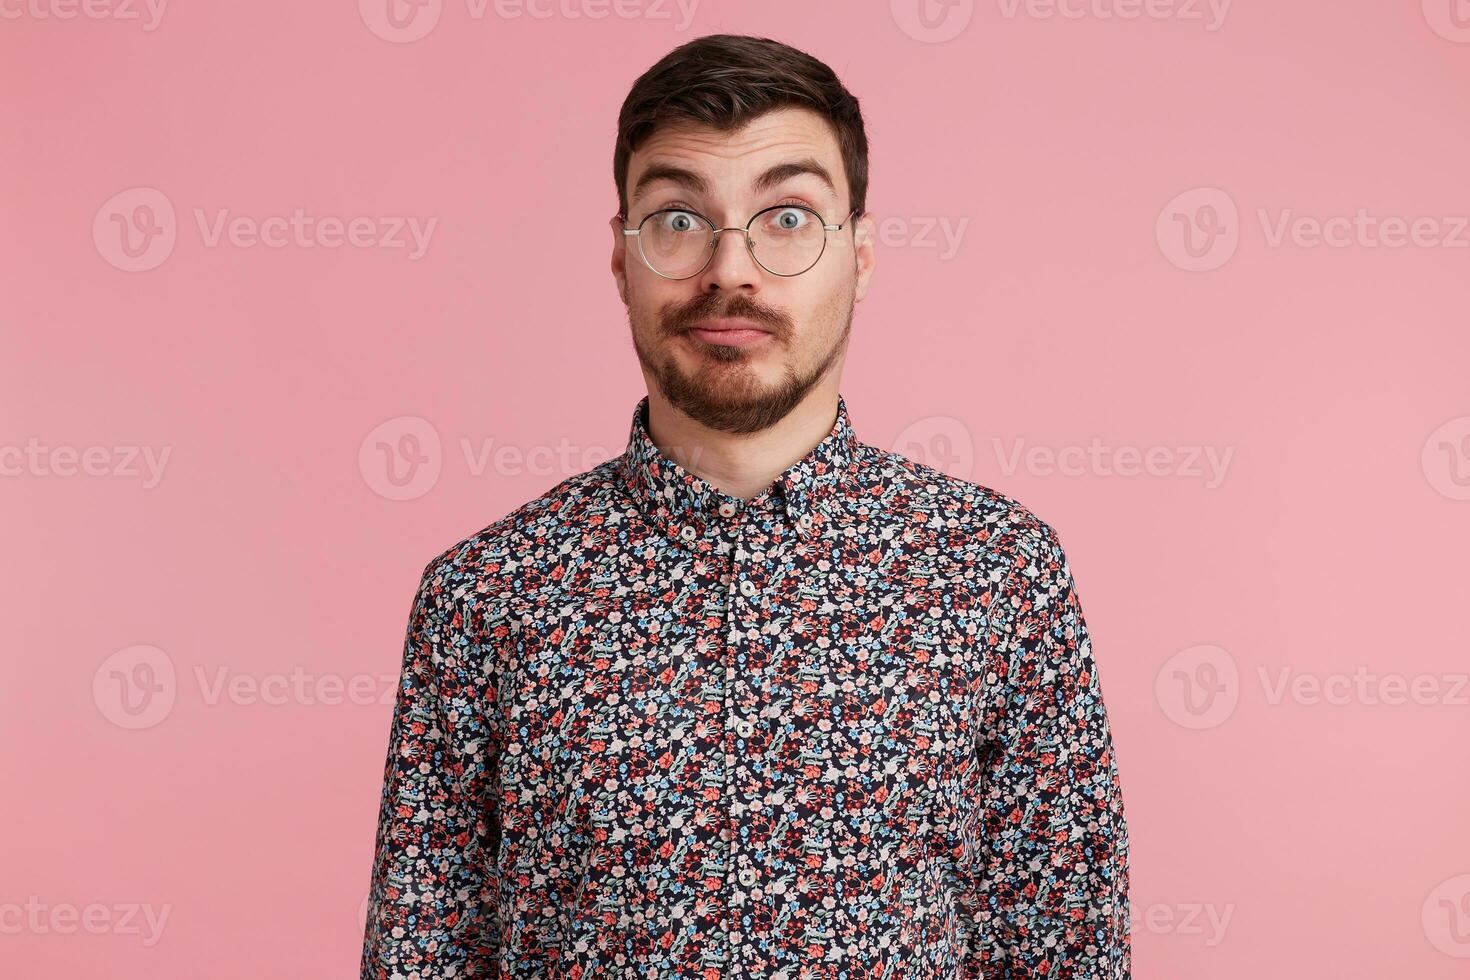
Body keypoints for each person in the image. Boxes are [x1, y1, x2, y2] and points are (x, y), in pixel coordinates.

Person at [361, 32, 1130, 979]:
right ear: (619, 256)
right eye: (678, 219)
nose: (731, 269)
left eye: (789, 216)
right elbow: (420, 956)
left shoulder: (997, 574)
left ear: (861, 252)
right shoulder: (484, 597)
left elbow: (1065, 952)